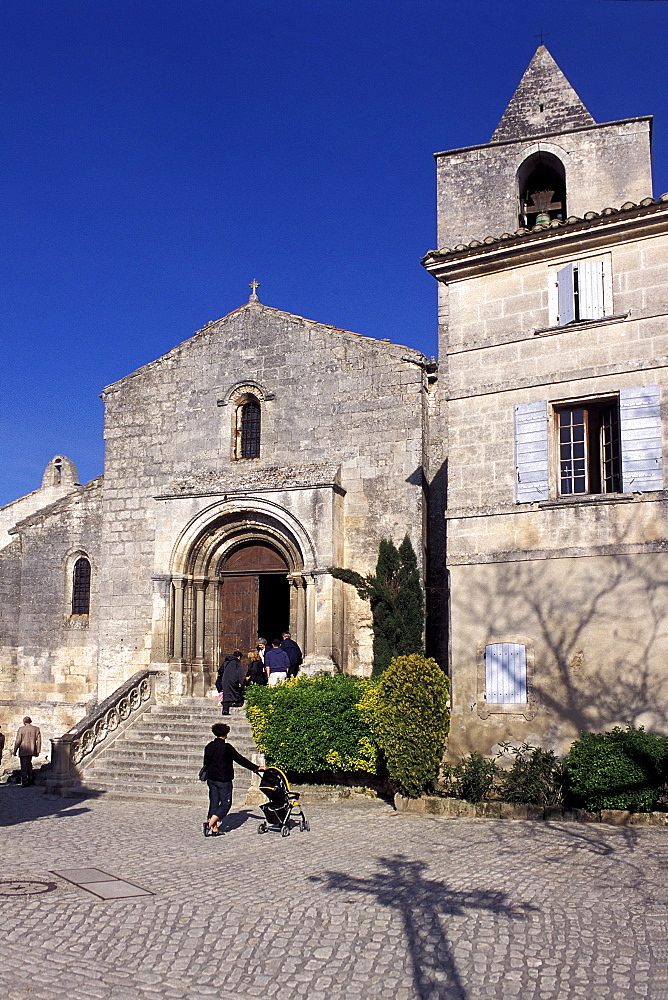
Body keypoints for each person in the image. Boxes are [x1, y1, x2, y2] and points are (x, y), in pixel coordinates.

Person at [202, 722, 265, 836]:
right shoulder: (226, 747)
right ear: (226, 734)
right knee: (226, 803)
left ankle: (215, 829)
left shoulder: (209, 746)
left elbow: (206, 763)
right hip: (224, 779)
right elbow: (240, 759)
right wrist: (256, 768)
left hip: (211, 779)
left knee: (214, 802)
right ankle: (209, 824)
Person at [13, 716, 41, 787]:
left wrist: (15, 750)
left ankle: (25, 781)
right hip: (32, 750)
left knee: (24, 766)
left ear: (24, 722)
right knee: (29, 764)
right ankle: (30, 778)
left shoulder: (21, 729)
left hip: (23, 749)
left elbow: (18, 740)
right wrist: (38, 750)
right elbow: (39, 741)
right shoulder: (36, 729)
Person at [217, 651, 245, 715]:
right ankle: (237, 705)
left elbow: (220, 670)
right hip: (234, 679)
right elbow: (240, 673)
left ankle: (225, 710)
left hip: (225, 679)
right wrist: (241, 682)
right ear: (239, 657)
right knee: (236, 692)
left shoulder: (226, 662)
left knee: (226, 694)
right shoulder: (237, 663)